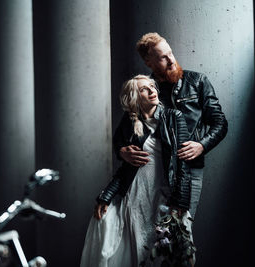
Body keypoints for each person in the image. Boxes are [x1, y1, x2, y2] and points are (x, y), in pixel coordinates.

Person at [80, 75, 193, 267]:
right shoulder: (130, 122)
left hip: (164, 198)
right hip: (136, 198)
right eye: (144, 89)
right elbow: (126, 167)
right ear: (134, 97)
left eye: (152, 86)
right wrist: (106, 196)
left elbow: (183, 163)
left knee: (168, 255)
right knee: (138, 252)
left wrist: (181, 201)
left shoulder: (174, 117)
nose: (152, 91)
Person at [127, 33, 228, 218]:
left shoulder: (197, 81)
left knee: (181, 232)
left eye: (170, 53)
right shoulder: (144, 90)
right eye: (163, 58)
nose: (171, 60)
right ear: (149, 62)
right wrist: (122, 150)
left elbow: (220, 123)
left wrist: (202, 145)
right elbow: (126, 129)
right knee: (153, 236)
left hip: (189, 169)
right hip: (153, 171)